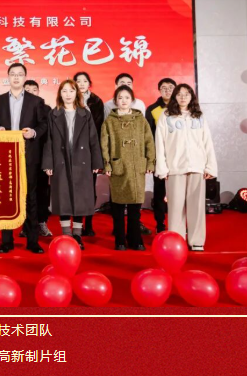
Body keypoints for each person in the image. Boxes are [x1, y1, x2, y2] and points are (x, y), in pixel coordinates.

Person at [0, 63, 48, 254]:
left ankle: (32, 241)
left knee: (30, 197)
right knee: (6, 197)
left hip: (28, 155)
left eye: (20, 74)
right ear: (8, 77)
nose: (16, 77)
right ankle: (7, 241)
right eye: (13, 74)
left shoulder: (36, 101)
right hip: (5, 155)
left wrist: (34, 132)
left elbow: (44, 124)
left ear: (25, 77)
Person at [155, 83, 217, 251]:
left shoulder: (198, 116)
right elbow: (159, 143)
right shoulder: (166, 116)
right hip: (175, 167)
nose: (183, 97)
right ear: (175, 96)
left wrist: (210, 166)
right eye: (179, 94)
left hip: (197, 166)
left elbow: (207, 142)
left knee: (197, 206)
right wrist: (162, 168)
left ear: (191, 97)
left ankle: (196, 240)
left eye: (186, 94)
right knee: (175, 207)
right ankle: (177, 240)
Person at [42, 80, 103, 250]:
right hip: (60, 160)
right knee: (63, 197)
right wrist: (48, 163)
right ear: (60, 94)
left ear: (77, 93)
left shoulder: (85, 114)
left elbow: (93, 139)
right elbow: (49, 140)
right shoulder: (54, 114)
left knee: (80, 198)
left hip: (81, 160)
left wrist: (96, 161)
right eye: (64, 91)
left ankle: (77, 234)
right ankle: (66, 233)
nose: (68, 94)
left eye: (71, 91)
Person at [101, 85, 155, 251]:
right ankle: (119, 240)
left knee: (135, 207)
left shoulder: (140, 120)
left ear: (132, 100)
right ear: (115, 101)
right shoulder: (110, 121)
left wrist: (150, 162)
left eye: (127, 97)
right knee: (117, 207)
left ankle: (135, 239)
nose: (123, 101)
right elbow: (104, 144)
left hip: (137, 166)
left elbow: (149, 142)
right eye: (120, 98)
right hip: (119, 166)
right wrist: (107, 164)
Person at [74, 71, 105, 236]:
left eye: (85, 81)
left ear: (89, 84)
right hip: (73, 151)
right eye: (78, 81)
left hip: (89, 149)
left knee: (89, 188)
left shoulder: (96, 101)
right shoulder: (69, 99)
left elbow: (98, 128)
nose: (81, 84)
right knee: (75, 188)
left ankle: (89, 223)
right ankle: (76, 224)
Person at [145, 77, 177, 233]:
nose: (167, 90)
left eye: (171, 87)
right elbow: (148, 136)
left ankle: (177, 224)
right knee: (159, 192)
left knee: (178, 192)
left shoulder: (182, 108)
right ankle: (160, 224)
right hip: (160, 157)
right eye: (164, 87)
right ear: (159, 90)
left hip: (178, 157)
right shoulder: (152, 109)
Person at [23, 80, 53, 237]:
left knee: (42, 191)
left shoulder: (47, 109)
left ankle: (42, 222)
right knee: (24, 192)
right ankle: (26, 225)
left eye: (34, 90)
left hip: (41, 156)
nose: (31, 92)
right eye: (27, 90)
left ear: (38, 92)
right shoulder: (19, 109)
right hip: (22, 157)